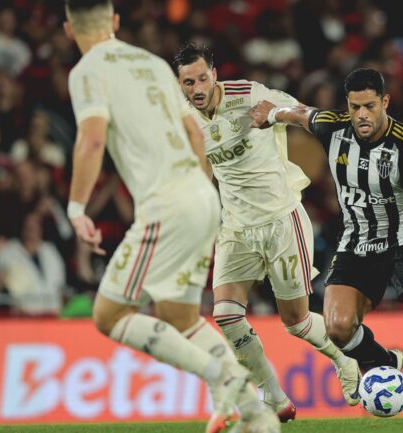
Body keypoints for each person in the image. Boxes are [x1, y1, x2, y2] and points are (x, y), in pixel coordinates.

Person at [62, 2, 279, 432]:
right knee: (179, 316)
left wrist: (75, 207)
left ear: (69, 30)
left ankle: (227, 378)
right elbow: (194, 133)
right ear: (116, 22)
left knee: (109, 315)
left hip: (166, 204)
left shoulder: (86, 72)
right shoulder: (153, 62)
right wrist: (199, 191)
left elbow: (91, 140)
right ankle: (256, 415)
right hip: (202, 195)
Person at [248, 68, 403, 424]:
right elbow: (302, 114)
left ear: (385, 103)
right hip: (357, 243)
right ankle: (384, 361)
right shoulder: (333, 126)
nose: (362, 114)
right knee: (337, 327)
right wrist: (271, 114)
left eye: (369, 106)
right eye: (355, 106)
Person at [173, 43, 360, 420]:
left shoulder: (250, 94)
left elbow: (305, 115)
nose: (196, 88)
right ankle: (273, 396)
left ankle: (347, 361)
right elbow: (202, 171)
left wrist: (275, 113)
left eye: (202, 78)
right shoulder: (183, 119)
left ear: (215, 73)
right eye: (187, 81)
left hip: (279, 220)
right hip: (236, 228)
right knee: (225, 314)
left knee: (297, 323)